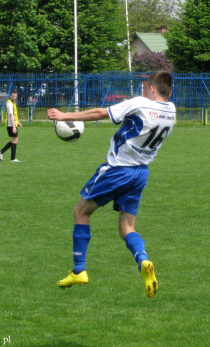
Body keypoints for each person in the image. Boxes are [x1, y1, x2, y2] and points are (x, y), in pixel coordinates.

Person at [47, 70, 176, 298]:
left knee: (80, 212)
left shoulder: (141, 103)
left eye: (146, 88)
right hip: (140, 173)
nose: (144, 91)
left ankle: (79, 270)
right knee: (127, 228)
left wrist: (65, 116)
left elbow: (100, 113)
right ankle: (143, 260)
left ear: (152, 88)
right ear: (170, 90)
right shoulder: (171, 112)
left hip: (118, 169)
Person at [0, 89, 23, 162]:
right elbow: (11, 115)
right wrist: (14, 126)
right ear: (10, 96)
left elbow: (14, 115)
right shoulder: (9, 103)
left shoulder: (13, 102)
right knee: (15, 139)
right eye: (13, 96)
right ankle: (9, 156)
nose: (15, 97)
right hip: (11, 125)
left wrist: (18, 122)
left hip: (13, 124)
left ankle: (3, 153)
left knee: (15, 139)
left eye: (15, 96)